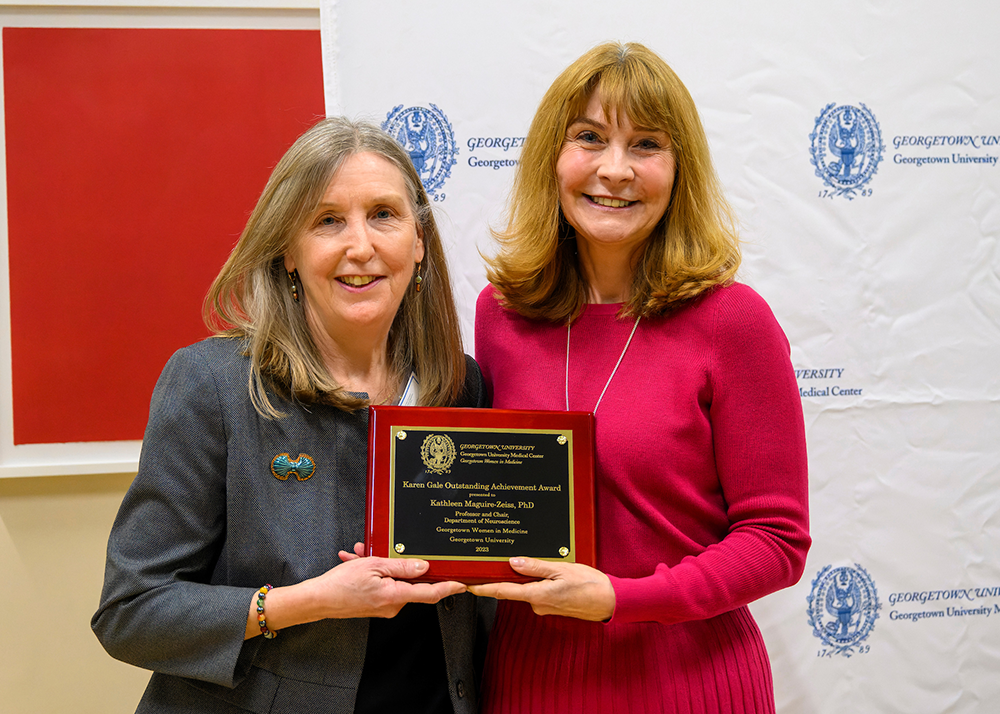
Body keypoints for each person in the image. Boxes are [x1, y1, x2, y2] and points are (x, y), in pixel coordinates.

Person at [92, 117, 491, 713]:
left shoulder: (460, 385)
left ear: (418, 243)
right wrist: (309, 601)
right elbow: (130, 611)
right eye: (328, 220)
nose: (361, 246)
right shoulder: (213, 385)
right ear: (287, 251)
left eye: (384, 214)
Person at [468, 42, 810, 713]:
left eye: (646, 144)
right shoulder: (500, 315)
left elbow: (777, 541)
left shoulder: (731, 321)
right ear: (552, 159)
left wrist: (621, 599)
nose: (614, 170)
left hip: (688, 683)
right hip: (529, 680)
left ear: (679, 169)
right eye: (589, 138)